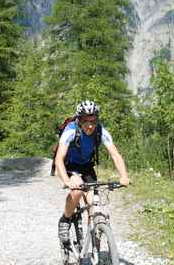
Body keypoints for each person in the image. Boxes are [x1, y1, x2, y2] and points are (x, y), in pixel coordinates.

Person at [55, 100, 130, 243]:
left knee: (94, 204)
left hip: (87, 167)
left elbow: (115, 154)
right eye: (85, 121)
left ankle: (94, 237)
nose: (90, 126)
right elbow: (59, 159)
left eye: (94, 121)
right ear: (79, 119)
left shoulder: (100, 131)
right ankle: (65, 220)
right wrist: (67, 181)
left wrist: (124, 176)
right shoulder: (71, 130)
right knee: (77, 190)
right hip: (69, 167)